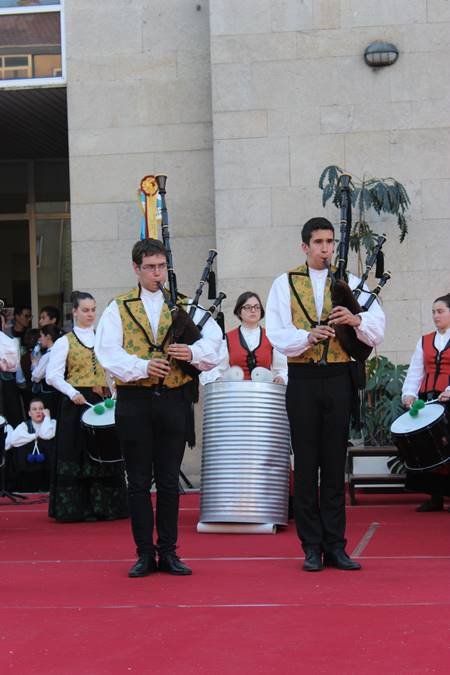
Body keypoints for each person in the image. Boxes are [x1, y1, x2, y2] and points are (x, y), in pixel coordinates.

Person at [95, 238, 223, 578]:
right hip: (134, 401)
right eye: (150, 267)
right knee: (137, 481)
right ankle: (143, 553)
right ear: (136, 269)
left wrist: (191, 354)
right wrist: (142, 366)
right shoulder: (118, 308)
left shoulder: (183, 306)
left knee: (168, 480)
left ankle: (168, 551)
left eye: (161, 266)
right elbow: (107, 352)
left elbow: (214, 346)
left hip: (173, 400)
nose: (157, 273)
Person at [266, 217, 385, 572]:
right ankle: (311, 546)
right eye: (318, 242)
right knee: (305, 465)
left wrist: (356, 319)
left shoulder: (350, 283)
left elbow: (377, 328)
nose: (326, 249)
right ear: (304, 247)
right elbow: (276, 331)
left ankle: (336, 545)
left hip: (338, 377)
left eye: (330, 242)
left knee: (334, 464)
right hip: (302, 378)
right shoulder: (284, 283)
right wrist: (306, 338)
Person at [46, 291, 128, 523]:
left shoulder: (103, 340)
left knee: (103, 451)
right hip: (77, 402)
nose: (90, 314)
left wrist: (114, 391)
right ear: (74, 312)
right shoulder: (65, 342)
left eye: (93, 309)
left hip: (101, 399)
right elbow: (53, 376)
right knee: (78, 451)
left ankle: (106, 507)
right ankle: (76, 508)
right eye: (85, 310)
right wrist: (72, 392)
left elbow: (111, 368)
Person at [402, 293, 450, 512]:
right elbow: (415, 371)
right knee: (429, 449)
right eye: (433, 312)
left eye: (440, 311)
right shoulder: (425, 340)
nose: (435, 316)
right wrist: (409, 394)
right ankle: (436, 497)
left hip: (448, 400)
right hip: (428, 402)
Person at [201, 291, 287, 384]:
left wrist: (280, 377)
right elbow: (214, 369)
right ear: (239, 311)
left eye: (257, 307)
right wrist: (218, 379)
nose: (253, 310)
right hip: (237, 395)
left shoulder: (271, 338)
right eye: (248, 307)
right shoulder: (228, 339)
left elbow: (282, 369)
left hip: (264, 394)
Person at [9, 398, 56, 492]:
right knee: (21, 448)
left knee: (47, 443)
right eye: (34, 409)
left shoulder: (52, 423)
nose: (38, 411)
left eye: (41, 408)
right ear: (29, 413)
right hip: (29, 468)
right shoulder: (24, 425)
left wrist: (47, 418)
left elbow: (46, 434)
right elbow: (13, 441)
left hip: (47, 467)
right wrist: (34, 436)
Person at [31, 324, 61, 417]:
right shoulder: (59, 351)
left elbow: (36, 376)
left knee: (48, 419)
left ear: (48, 337)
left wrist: (34, 363)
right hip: (58, 392)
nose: (39, 339)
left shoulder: (48, 355)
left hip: (48, 394)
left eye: (41, 336)